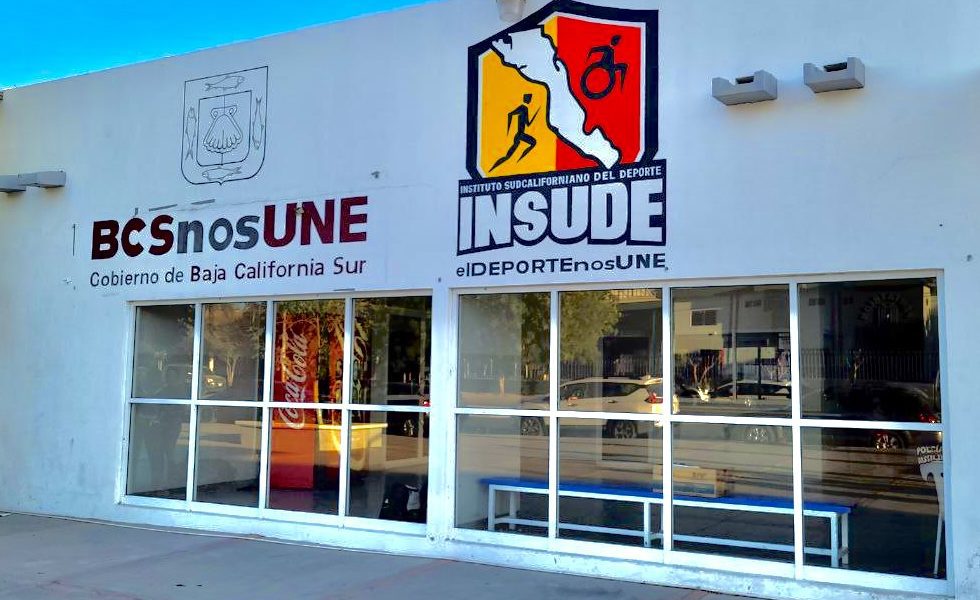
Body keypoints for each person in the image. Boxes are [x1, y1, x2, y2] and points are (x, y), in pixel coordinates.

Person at [489, 93, 539, 172]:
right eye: (529, 98)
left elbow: (527, 124)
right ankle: (518, 159)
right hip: (520, 134)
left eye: (530, 98)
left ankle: (519, 159)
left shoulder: (525, 109)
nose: (530, 100)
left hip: (520, 135)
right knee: (532, 143)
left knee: (507, 156)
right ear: (525, 98)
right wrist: (508, 129)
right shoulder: (523, 108)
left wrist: (534, 117)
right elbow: (510, 114)